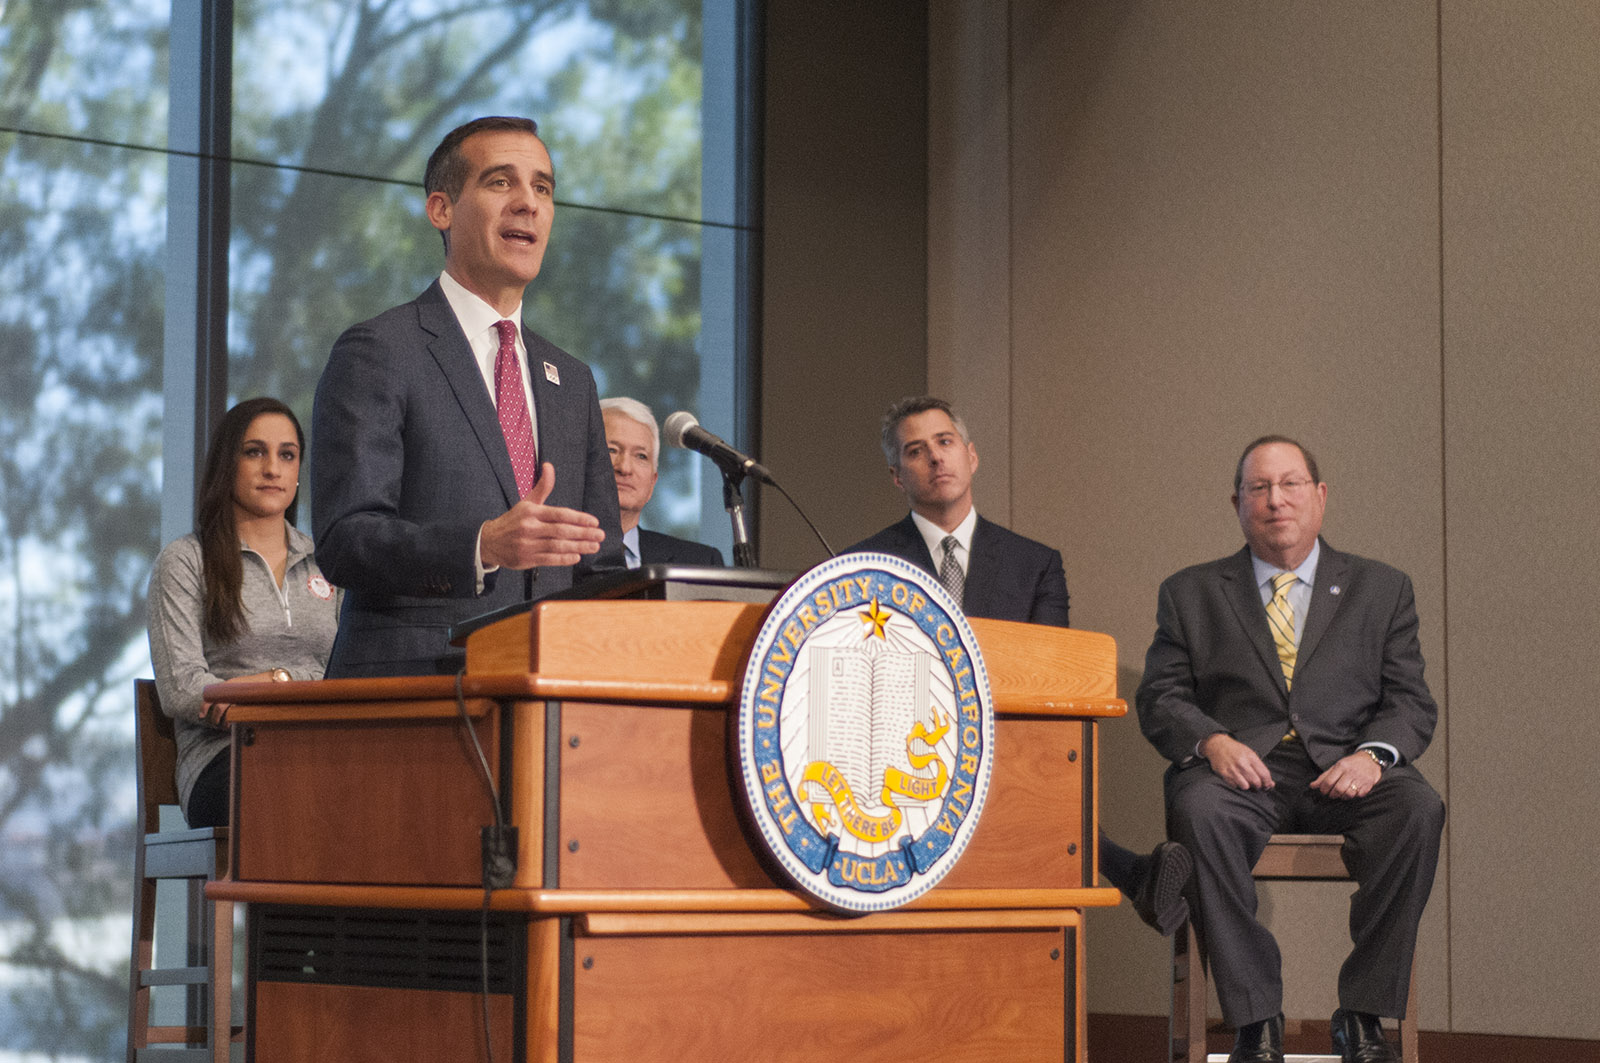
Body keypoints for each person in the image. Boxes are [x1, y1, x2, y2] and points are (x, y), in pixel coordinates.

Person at [1136, 435, 1444, 1063]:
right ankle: (1256, 1021)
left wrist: (1372, 757)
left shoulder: (1382, 588)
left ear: (1320, 496)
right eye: (1259, 488)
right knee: (1198, 810)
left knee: (1417, 809)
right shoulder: (1190, 592)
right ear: (1237, 503)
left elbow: (1410, 700)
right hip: (1240, 775)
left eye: (1290, 484)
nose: (1276, 500)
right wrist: (1213, 741)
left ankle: (1363, 1015)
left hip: (1346, 769)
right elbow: (1161, 696)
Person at [846, 396, 1192, 935]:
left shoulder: (1035, 563)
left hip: (1012, 738)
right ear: (897, 476)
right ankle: (1128, 871)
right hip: (905, 749)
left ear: (971, 456)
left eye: (945, 442)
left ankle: (1131, 874)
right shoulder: (864, 565)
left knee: (1043, 750)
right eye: (916, 451)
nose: (935, 458)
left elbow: (1048, 673)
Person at [312, 116, 623, 677]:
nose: (528, 203)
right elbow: (346, 539)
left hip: (548, 694)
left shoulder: (573, 381)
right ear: (441, 209)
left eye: (543, 187)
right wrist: (481, 546)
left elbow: (599, 567)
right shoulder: (380, 350)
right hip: (412, 687)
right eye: (501, 182)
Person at [147, 398, 341, 828]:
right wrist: (291, 689)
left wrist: (270, 683)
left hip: (320, 746)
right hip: (224, 758)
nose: (272, 469)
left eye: (287, 455)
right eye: (255, 452)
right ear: (227, 464)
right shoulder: (185, 561)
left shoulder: (328, 562)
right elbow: (182, 688)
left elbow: (344, 675)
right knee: (303, 789)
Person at [600, 397, 724, 567]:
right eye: (611, 450)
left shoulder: (701, 563)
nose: (625, 468)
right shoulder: (560, 556)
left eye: (641, 456)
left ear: (652, 482)